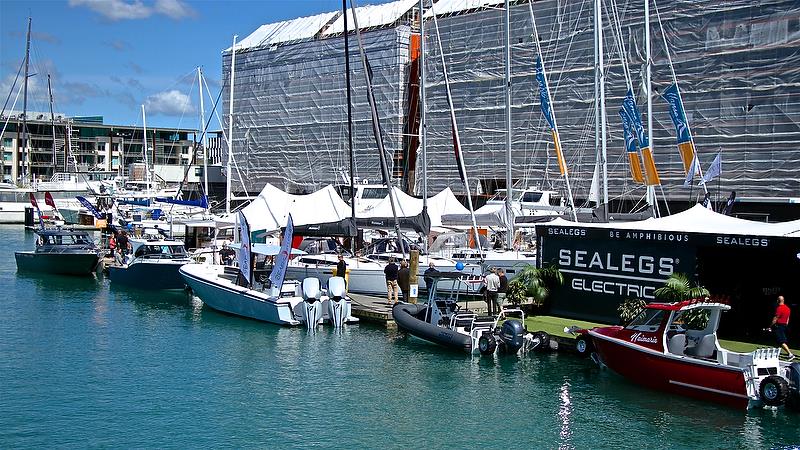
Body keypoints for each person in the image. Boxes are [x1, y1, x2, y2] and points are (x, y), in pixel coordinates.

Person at [769, 295, 794, 360]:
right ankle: (775, 354)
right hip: (784, 325)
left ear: (778, 300)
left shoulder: (779, 308)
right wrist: (786, 324)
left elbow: (775, 318)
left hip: (779, 325)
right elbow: (788, 318)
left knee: (781, 341)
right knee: (777, 340)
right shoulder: (788, 308)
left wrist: (770, 326)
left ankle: (790, 354)